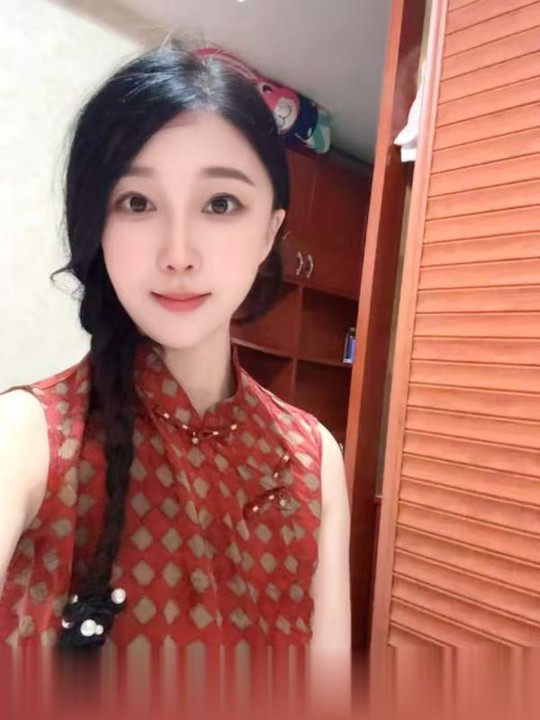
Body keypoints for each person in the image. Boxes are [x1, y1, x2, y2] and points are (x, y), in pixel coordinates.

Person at [0, 41, 350, 670]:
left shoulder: (314, 458)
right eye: (137, 202)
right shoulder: (25, 439)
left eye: (220, 204)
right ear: (97, 224)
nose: (179, 254)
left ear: (269, 231)